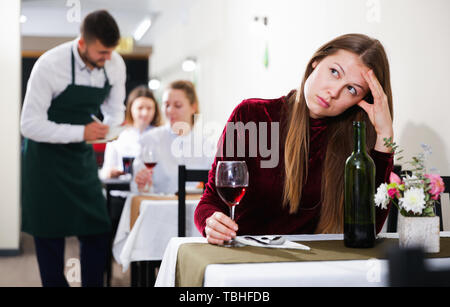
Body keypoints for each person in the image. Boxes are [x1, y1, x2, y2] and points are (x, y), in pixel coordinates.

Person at [195, 33, 395, 245]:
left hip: (314, 268)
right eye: (334, 72)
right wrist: (211, 221)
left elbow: (366, 228)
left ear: (360, 101)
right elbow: (212, 200)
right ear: (316, 62)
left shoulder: (354, 148)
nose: (334, 92)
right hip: (248, 261)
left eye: (351, 89)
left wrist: (385, 137)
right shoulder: (252, 116)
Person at [20, 10, 126, 286]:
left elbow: (115, 109)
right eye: (102, 52)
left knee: (97, 230)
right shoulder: (49, 65)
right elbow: (29, 125)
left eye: (110, 52)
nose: (107, 59)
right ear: (82, 44)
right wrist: (82, 131)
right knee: (49, 235)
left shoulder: (114, 65)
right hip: (44, 160)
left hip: (80, 158)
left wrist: (111, 129)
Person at [132, 80, 216, 194]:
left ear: (193, 107)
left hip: (194, 209)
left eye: (177, 105)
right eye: (166, 105)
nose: (170, 110)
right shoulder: (150, 140)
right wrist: (141, 183)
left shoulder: (207, 145)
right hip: (158, 208)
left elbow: (213, 186)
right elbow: (136, 187)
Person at [100, 85, 162, 179]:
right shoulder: (118, 136)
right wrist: (110, 173)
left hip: (153, 190)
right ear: (130, 108)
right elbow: (105, 171)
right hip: (123, 189)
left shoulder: (161, 135)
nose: (145, 113)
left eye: (149, 108)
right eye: (140, 108)